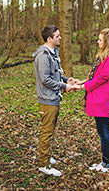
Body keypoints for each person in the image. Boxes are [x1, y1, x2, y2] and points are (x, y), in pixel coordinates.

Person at [34, 25, 84, 176]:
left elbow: (53, 75)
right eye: (57, 36)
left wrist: (67, 80)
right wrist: (64, 86)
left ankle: (47, 157)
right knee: (46, 131)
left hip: (54, 98)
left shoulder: (52, 52)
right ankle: (44, 164)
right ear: (49, 39)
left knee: (50, 130)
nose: (60, 38)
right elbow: (46, 80)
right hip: (47, 99)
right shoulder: (43, 55)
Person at [83, 28, 109, 172]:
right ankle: (105, 161)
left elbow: (102, 78)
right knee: (101, 129)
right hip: (98, 96)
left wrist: (85, 86)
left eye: (100, 40)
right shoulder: (104, 56)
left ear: (106, 42)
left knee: (104, 130)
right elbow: (95, 75)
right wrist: (83, 82)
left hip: (103, 98)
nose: (97, 42)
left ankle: (108, 162)